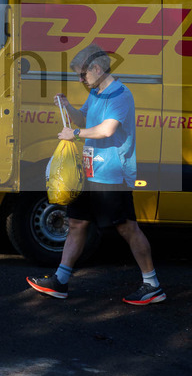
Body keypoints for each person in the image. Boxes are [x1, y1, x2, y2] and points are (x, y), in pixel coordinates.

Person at [26, 45, 165, 305]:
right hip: (89, 172)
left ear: (97, 69)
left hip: (112, 175)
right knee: (77, 224)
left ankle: (152, 285)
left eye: (82, 75)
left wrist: (75, 135)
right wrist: (67, 107)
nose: (80, 80)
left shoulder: (120, 95)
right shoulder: (97, 93)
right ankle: (60, 281)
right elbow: (83, 120)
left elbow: (107, 130)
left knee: (127, 228)